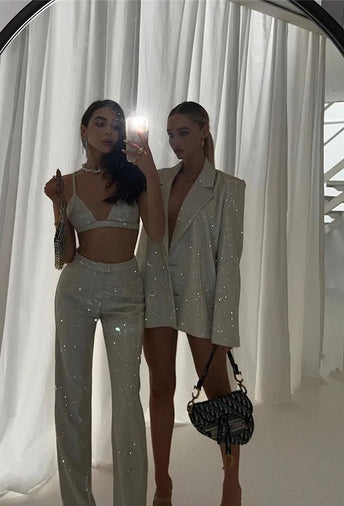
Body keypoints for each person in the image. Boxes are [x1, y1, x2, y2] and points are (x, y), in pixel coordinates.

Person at [44, 99, 164, 506]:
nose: (110, 131)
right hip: (76, 289)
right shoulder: (68, 183)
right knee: (71, 397)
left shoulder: (134, 178)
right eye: (100, 122)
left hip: (126, 292)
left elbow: (157, 231)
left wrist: (148, 164)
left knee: (128, 399)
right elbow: (65, 256)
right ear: (84, 130)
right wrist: (58, 204)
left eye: (116, 124)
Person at [136, 101, 246, 506]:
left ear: (203, 131)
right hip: (156, 290)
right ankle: (162, 484)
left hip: (202, 295)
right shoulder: (158, 178)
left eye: (183, 132)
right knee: (160, 387)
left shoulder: (229, 188)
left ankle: (231, 480)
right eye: (170, 134)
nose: (175, 142)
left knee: (219, 392)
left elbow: (229, 260)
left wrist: (225, 326)